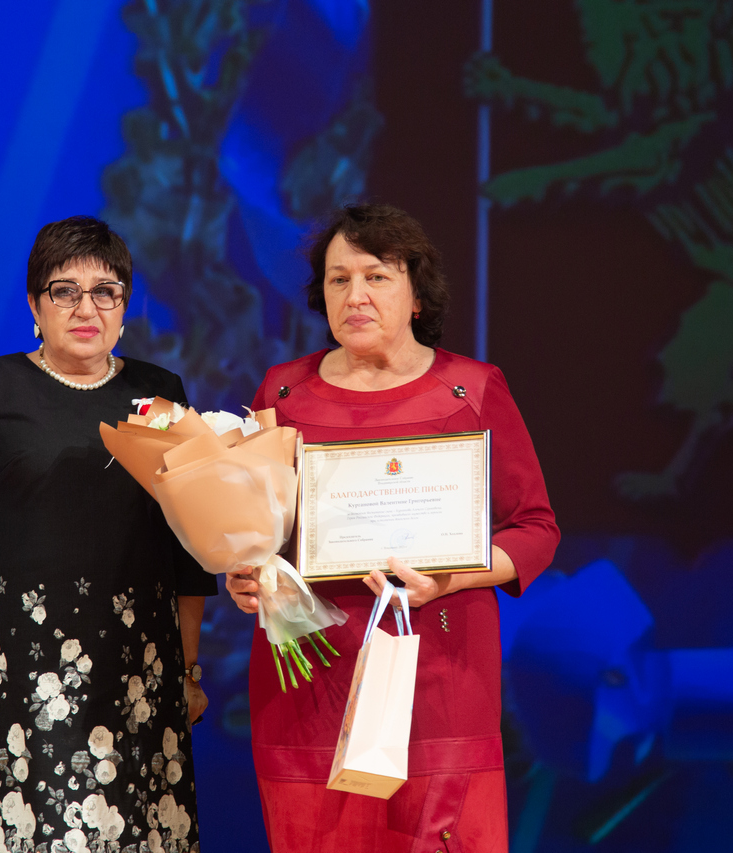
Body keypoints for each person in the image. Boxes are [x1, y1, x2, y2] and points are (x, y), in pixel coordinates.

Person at [226, 204, 560, 852]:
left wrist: (450, 578)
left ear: (416, 294)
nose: (355, 295)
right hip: (310, 685)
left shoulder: (472, 390)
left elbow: (534, 528)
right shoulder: (283, 394)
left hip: (440, 683)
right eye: (338, 279)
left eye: (376, 276)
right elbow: (255, 533)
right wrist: (246, 574)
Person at [0, 216, 216, 853]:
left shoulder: (159, 395)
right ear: (34, 305)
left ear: (124, 306)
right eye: (64, 291)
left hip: (137, 678)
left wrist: (187, 670)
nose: (86, 308)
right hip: (15, 684)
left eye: (105, 291)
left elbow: (190, 551)